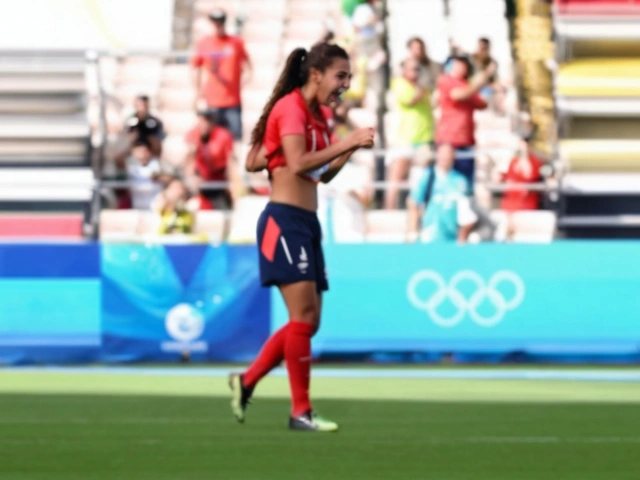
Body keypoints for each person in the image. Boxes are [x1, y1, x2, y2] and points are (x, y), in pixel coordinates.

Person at [228, 42, 374, 432]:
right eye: (340, 76)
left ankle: (247, 380)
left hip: (307, 222)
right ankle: (300, 411)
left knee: (308, 321)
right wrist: (346, 141)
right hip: (283, 221)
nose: (345, 84)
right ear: (316, 74)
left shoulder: (316, 117)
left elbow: (319, 173)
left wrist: (347, 150)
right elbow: (295, 162)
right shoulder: (290, 107)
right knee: (304, 318)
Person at [191, 8, 252, 140]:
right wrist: (197, 93)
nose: (218, 25)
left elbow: (248, 67)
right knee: (212, 140)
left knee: (234, 140)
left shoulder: (236, 42)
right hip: (212, 101)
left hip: (232, 102)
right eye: (215, 22)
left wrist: (241, 84)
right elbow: (196, 68)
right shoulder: (204, 43)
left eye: (220, 22)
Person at [436, 55, 493, 190]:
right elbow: (458, 95)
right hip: (449, 140)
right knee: (446, 180)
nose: (459, 68)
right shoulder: (445, 80)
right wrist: (480, 80)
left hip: (467, 140)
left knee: (466, 184)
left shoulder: (467, 85)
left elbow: (482, 104)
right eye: (456, 64)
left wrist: (486, 85)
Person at [385, 57, 434, 210]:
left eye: (418, 69)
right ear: (404, 70)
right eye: (412, 68)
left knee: (421, 180)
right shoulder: (399, 84)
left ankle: (418, 212)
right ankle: (389, 211)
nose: (416, 72)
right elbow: (411, 100)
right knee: (396, 179)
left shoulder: (422, 88)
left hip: (424, 139)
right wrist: (423, 88)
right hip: (404, 139)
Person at [407, 144, 477, 243]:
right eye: (443, 154)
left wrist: (461, 239)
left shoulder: (460, 181)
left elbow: (466, 213)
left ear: (453, 157)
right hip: (429, 238)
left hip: (451, 239)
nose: (445, 158)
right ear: (438, 155)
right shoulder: (428, 176)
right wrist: (412, 233)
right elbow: (414, 203)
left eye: (448, 155)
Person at [184, 110, 235, 209]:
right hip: (200, 181)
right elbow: (189, 159)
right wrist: (191, 177)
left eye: (206, 121)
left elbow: (230, 160)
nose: (203, 125)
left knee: (223, 207)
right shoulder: (194, 134)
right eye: (201, 121)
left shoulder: (223, 135)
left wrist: (233, 182)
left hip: (219, 180)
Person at [124, 139, 171, 210]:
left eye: (145, 151)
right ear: (133, 152)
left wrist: (158, 177)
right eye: (139, 151)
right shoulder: (128, 166)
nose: (142, 155)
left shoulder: (158, 164)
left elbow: (170, 179)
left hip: (156, 208)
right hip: (136, 208)